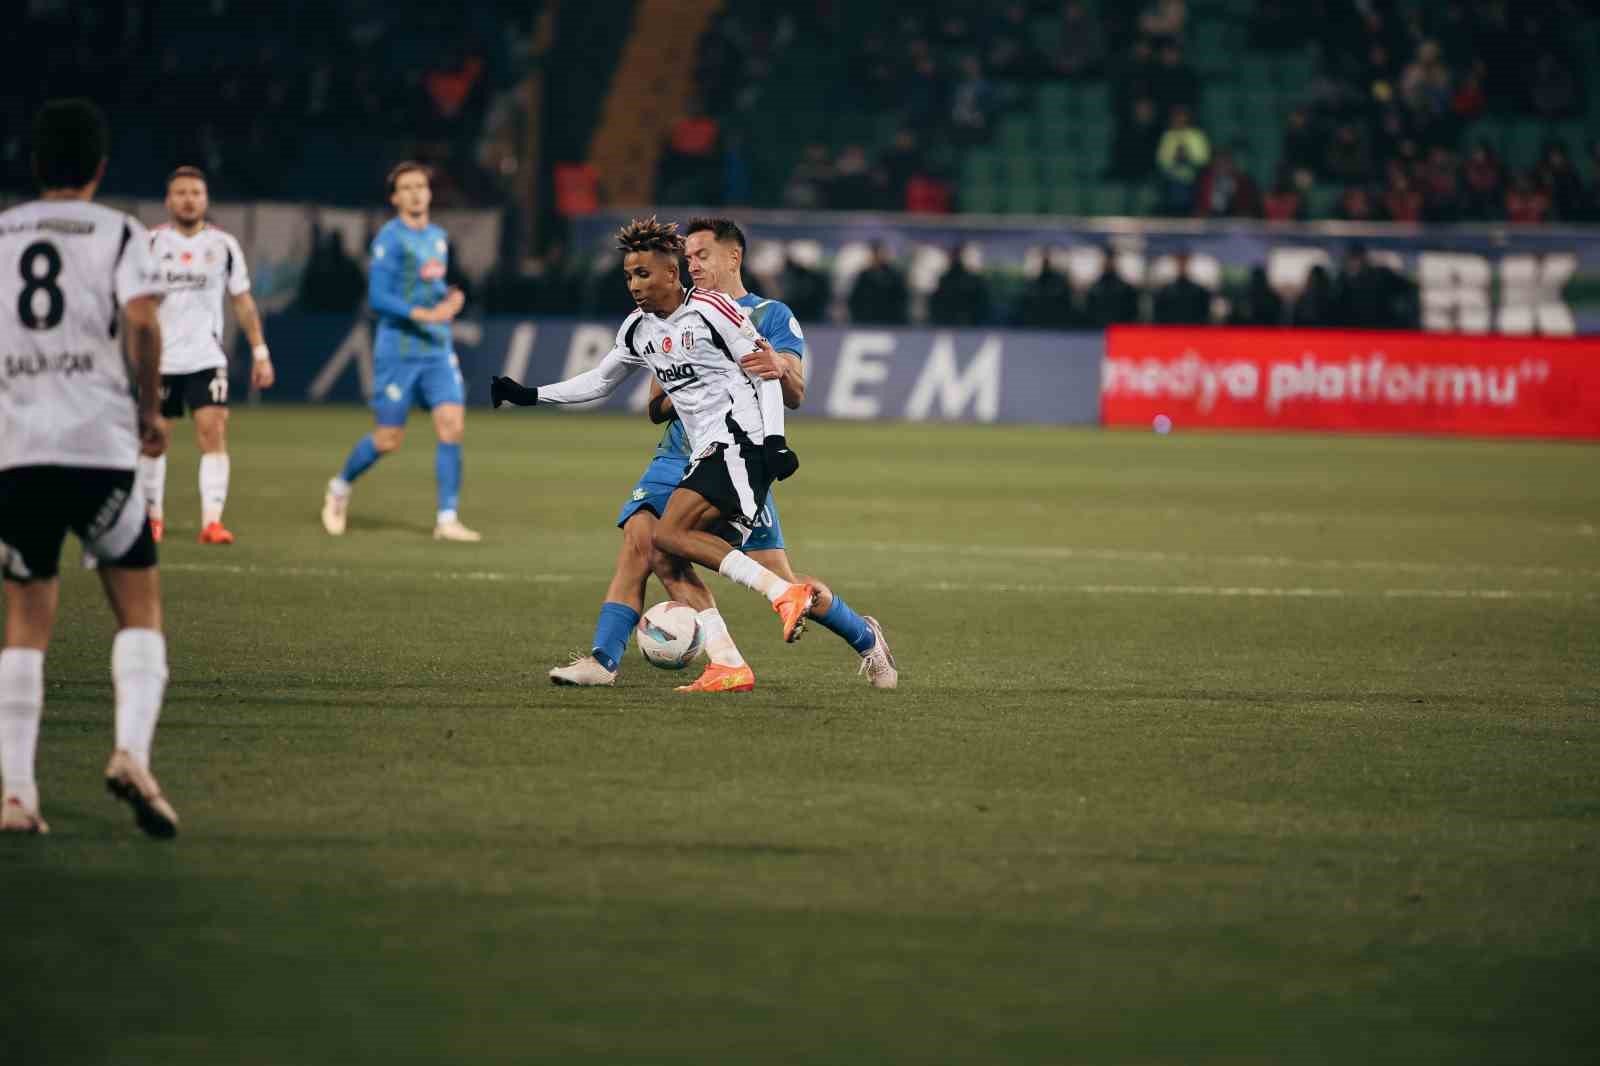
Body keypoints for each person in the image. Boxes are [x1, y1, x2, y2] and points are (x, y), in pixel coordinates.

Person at [491, 219, 886, 683]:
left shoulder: (764, 314)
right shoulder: (649, 324)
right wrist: (533, 395)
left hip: (740, 449)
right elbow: (646, 398)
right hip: (681, 451)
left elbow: (790, 387)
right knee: (647, 541)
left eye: (701, 256)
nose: (693, 264)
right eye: (688, 256)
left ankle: (861, 635)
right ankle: (612, 660)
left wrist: (775, 419)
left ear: (732, 258)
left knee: (766, 569)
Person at [0, 99, 179, 837]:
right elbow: (140, 320)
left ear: (34, 164)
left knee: (25, 617)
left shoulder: (3, 233)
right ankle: (131, 752)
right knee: (138, 608)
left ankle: (16, 795)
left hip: (17, 455)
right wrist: (150, 411)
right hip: (99, 450)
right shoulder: (121, 232)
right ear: (100, 166)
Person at [321, 162, 480, 541]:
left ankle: (446, 519)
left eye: (420, 186)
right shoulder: (389, 240)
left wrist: (451, 297)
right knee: (389, 438)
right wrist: (424, 313)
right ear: (394, 198)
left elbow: (434, 285)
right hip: (399, 351)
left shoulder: (438, 237)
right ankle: (339, 488)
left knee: (451, 425)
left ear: (428, 193)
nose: (414, 192)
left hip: (437, 349)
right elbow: (378, 297)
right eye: (406, 187)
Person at [138, 166, 276, 546]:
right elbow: (134, 303)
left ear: (205, 199)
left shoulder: (224, 246)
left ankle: (212, 522)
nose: (188, 199)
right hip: (161, 360)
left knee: (213, 431)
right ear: (168, 201)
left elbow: (242, 301)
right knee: (155, 440)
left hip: (206, 356)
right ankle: (152, 519)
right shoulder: (150, 244)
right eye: (180, 192)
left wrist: (260, 352)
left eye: (195, 193)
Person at [848, 242, 908, 324]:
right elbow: (855, 299)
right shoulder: (863, 275)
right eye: (874, 254)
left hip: (891, 320)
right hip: (866, 319)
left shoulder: (895, 275)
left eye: (880, 254)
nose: (877, 257)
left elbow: (902, 299)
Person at [1151, 249, 1212, 325]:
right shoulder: (1164, 291)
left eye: (1184, 262)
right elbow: (1160, 314)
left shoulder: (1200, 291)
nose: (1182, 265)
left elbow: (1203, 313)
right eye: (1179, 262)